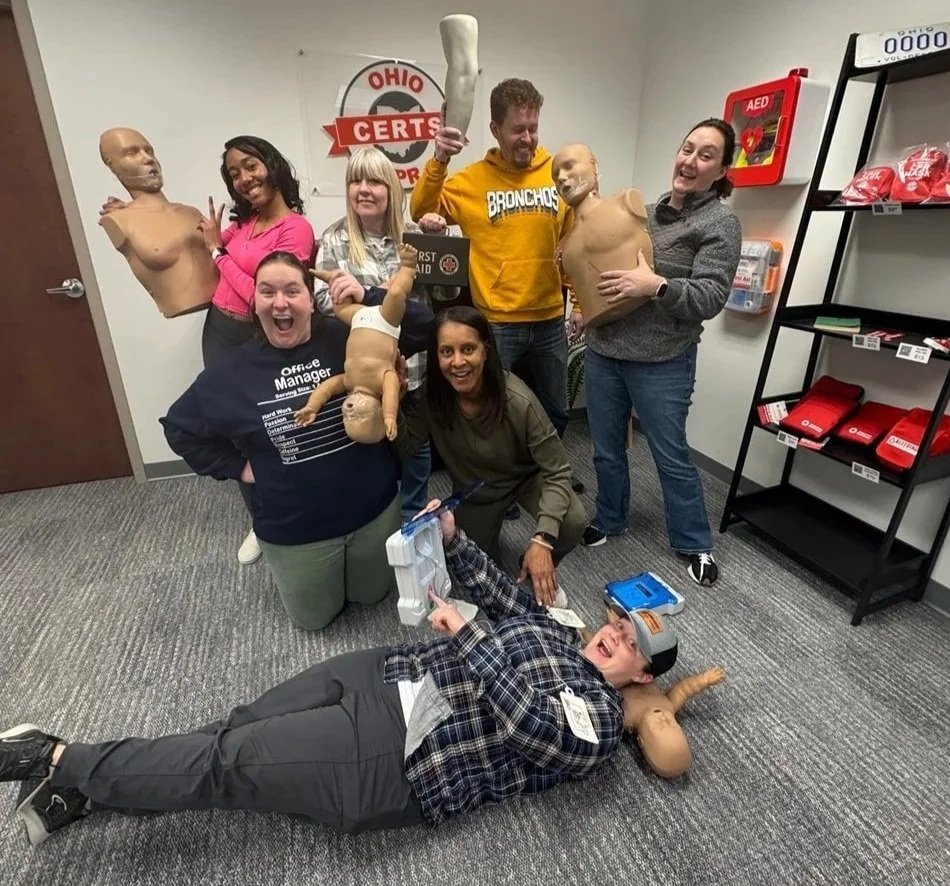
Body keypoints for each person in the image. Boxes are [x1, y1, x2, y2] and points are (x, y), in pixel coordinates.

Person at [1, 505, 678, 846]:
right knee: (238, 729)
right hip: (383, 673)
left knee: (230, 763)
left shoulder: (594, 720)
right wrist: (453, 539)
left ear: (639, 675)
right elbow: (502, 599)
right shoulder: (560, 627)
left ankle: (56, 756)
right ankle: (91, 788)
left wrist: (468, 635)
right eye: (622, 621)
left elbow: (531, 725)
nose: (616, 632)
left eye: (632, 642)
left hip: (403, 754)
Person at [160, 251, 399, 631]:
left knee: (373, 596)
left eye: (292, 290)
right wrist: (237, 467)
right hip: (297, 531)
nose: (280, 302)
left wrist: (368, 295)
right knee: (315, 621)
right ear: (254, 303)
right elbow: (179, 427)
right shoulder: (232, 372)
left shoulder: (347, 338)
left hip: (374, 510)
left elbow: (422, 328)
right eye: (267, 292)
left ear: (310, 299)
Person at [569, 118, 742, 588]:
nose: (690, 161)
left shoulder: (719, 224)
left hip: (664, 359)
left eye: (706, 155)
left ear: (722, 169)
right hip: (606, 351)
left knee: (670, 455)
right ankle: (610, 518)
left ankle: (693, 542)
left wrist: (657, 286)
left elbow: (709, 298)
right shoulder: (642, 212)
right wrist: (588, 310)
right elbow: (607, 274)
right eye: (687, 149)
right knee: (606, 450)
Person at [410, 78, 572, 440]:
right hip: (498, 322)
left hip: (548, 317)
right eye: (517, 130)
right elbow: (420, 207)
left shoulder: (556, 173)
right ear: (496, 129)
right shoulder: (471, 181)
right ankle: (502, 481)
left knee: (555, 409)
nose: (527, 139)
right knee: (494, 408)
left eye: (533, 128)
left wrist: (576, 300)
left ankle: (547, 476)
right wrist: (440, 158)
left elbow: (573, 239)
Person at [397, 306, 587, 605]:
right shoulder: (431, 397)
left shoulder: (517, 398)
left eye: (468, 349)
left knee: (572, 521)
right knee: (480, 577)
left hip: (525, 478)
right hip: (477, 491)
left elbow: (558, 471)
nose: (457, 362)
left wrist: (543, 539)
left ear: (486, 351)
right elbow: (406, 448)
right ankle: (502, 547)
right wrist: (393, 402)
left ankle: (536, 558)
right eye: (447, 352)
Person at [201, 135, 315, 565]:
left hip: (258, 336)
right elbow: (201, 236)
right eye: (234, 173)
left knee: (272, 430)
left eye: (250, 166)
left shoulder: (296, 229)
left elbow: (262, 298)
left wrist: (218, 254)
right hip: (219, 330)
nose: (244, 179)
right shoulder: (244, 225)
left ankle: (291, 513)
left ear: (272, 164)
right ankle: (261, 521)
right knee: (235, 430)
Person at [314, 146, 436, 520]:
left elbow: (440, 297)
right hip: (365, 375)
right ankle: (373, 525)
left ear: (392, 189)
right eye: (355, 180)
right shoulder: (334, 238)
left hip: (412, 367)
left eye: (374, 181)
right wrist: (379, 298)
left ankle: (414, 521)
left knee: (416, 449)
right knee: (369, 452)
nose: (363, 189)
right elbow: (322, 302)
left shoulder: (414, 236)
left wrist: (441, 241)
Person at [294, 243, 419, 443]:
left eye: (346, 417)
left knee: (339, 304)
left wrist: (312, 407)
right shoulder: (383, 380)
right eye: (359, 416)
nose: (349, 411)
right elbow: (392, 393)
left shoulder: (349, 382)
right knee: (396, 294)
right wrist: (390, 417)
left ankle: (333, 278)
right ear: (378, 410)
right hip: (386, 322)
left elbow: (325, 389)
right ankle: (408, 267)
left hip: (358, 319)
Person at [97, 127, 218, 318]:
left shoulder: (190, 212)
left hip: (228, 306)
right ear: (112, 164)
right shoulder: (118, 220)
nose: (147, 158)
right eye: (132, 152)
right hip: (183, 310)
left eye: (149, 150)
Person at [552, 143, 654, 329]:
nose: (561, 177)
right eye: (555, 175)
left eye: (568, 166)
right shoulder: (564, 244)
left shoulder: (626, 202)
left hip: (640, 318)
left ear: (594, 166)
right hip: (596, 332)